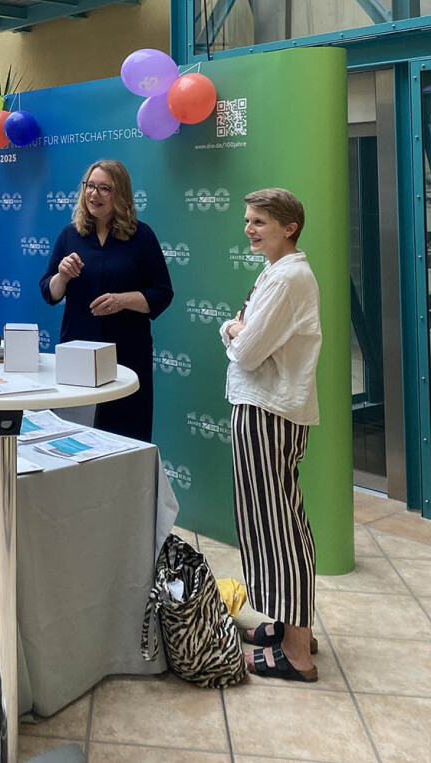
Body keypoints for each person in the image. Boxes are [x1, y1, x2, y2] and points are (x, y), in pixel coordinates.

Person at [221, 188, 321, 683]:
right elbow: (246, 338)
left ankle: (296, 652)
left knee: (277, 527)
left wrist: (234, 331)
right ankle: (288, 629)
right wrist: (238, 331)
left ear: (289, 227)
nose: (250, 229)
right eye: (248, 220)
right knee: (276, 523)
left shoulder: (286, 279)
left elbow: (246, 350)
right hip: (268, 408)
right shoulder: (279, 273)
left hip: (266, 411)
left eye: (259, 221)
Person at [40, 159, 173, 442]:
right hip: (78, 351)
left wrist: (123, 300)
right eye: (90, 186)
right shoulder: (69, 235)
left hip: (127, 353)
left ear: (120, 195)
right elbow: (49, 292)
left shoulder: (141, 236)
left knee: (125, 436)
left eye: (104, 188)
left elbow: (162, 293)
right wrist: (62, 276)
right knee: (73, 438)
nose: (94, 194)